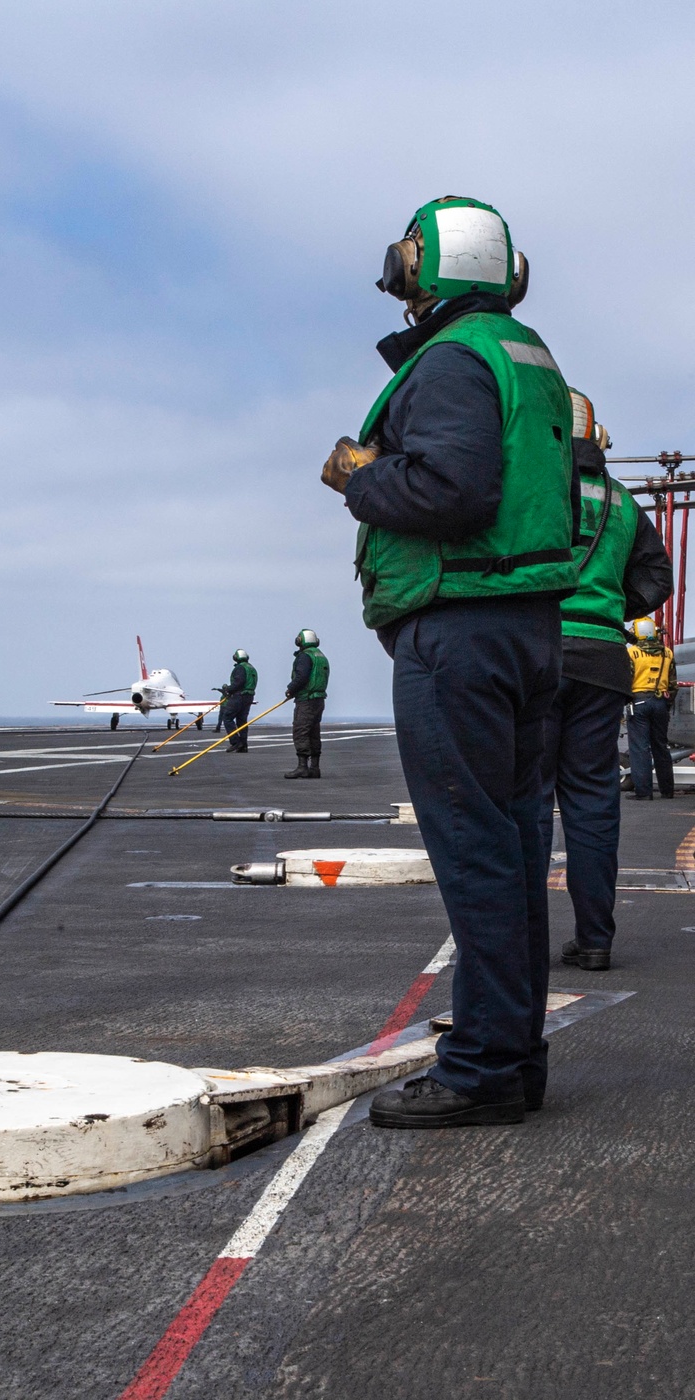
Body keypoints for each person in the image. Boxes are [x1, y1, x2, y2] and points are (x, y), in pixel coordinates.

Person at [322, 196, 578, 1128]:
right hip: (526, 628)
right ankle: (509, 1057)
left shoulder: (452, 360)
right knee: (511, 849)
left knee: (477, 852)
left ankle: (480, 1069)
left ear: (424, 269)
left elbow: (451, 490)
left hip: (458, 632)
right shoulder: (529, 358)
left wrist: (359, 476)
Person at [540, 391, 673, 974]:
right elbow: (657, 574)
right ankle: (595, 939)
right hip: (602, 659)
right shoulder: (621, 501)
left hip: (535, 648)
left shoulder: (530, 484)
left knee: (525, 800)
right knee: (592, 803)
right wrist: (613, 607)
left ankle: (514, 944)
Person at [627, 617, 678, 801]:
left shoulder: (632, 653)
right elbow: (673, 684)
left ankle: (644, 791)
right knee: (661, 746)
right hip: (660, 703)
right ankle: (667, 790)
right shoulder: (667, 653)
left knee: (640, 748)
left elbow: (626, 680)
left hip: (639, 702)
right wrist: (667, 703)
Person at [284, 630, 329, 778]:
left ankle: (302, 766)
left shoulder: (305, 656)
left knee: (301, 731)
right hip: (319, 699)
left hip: (306, 700)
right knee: (314, 733)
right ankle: (315, 768)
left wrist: (291, 689)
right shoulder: (321, 656)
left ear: (300, 641)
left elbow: (302, 677)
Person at [220, 649, 257, 752]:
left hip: (239, 696)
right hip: (249, 696)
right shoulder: (251, 668)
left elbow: (239, 683)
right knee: (242, 721)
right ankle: (243, 745)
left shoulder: (240, 668)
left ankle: (235, 742)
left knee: (227, 717)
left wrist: (228, 689)